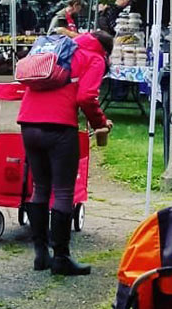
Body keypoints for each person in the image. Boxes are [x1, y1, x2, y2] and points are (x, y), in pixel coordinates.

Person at [17, 30, 113, 275]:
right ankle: (61, 258)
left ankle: (41, 255)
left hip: (28, 121)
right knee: (63, 191)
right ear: (106, 50)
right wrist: (100, 122)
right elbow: (86, 96)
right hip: (59, 126)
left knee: (39, 187)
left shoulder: (58, 47)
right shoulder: (95, 57)